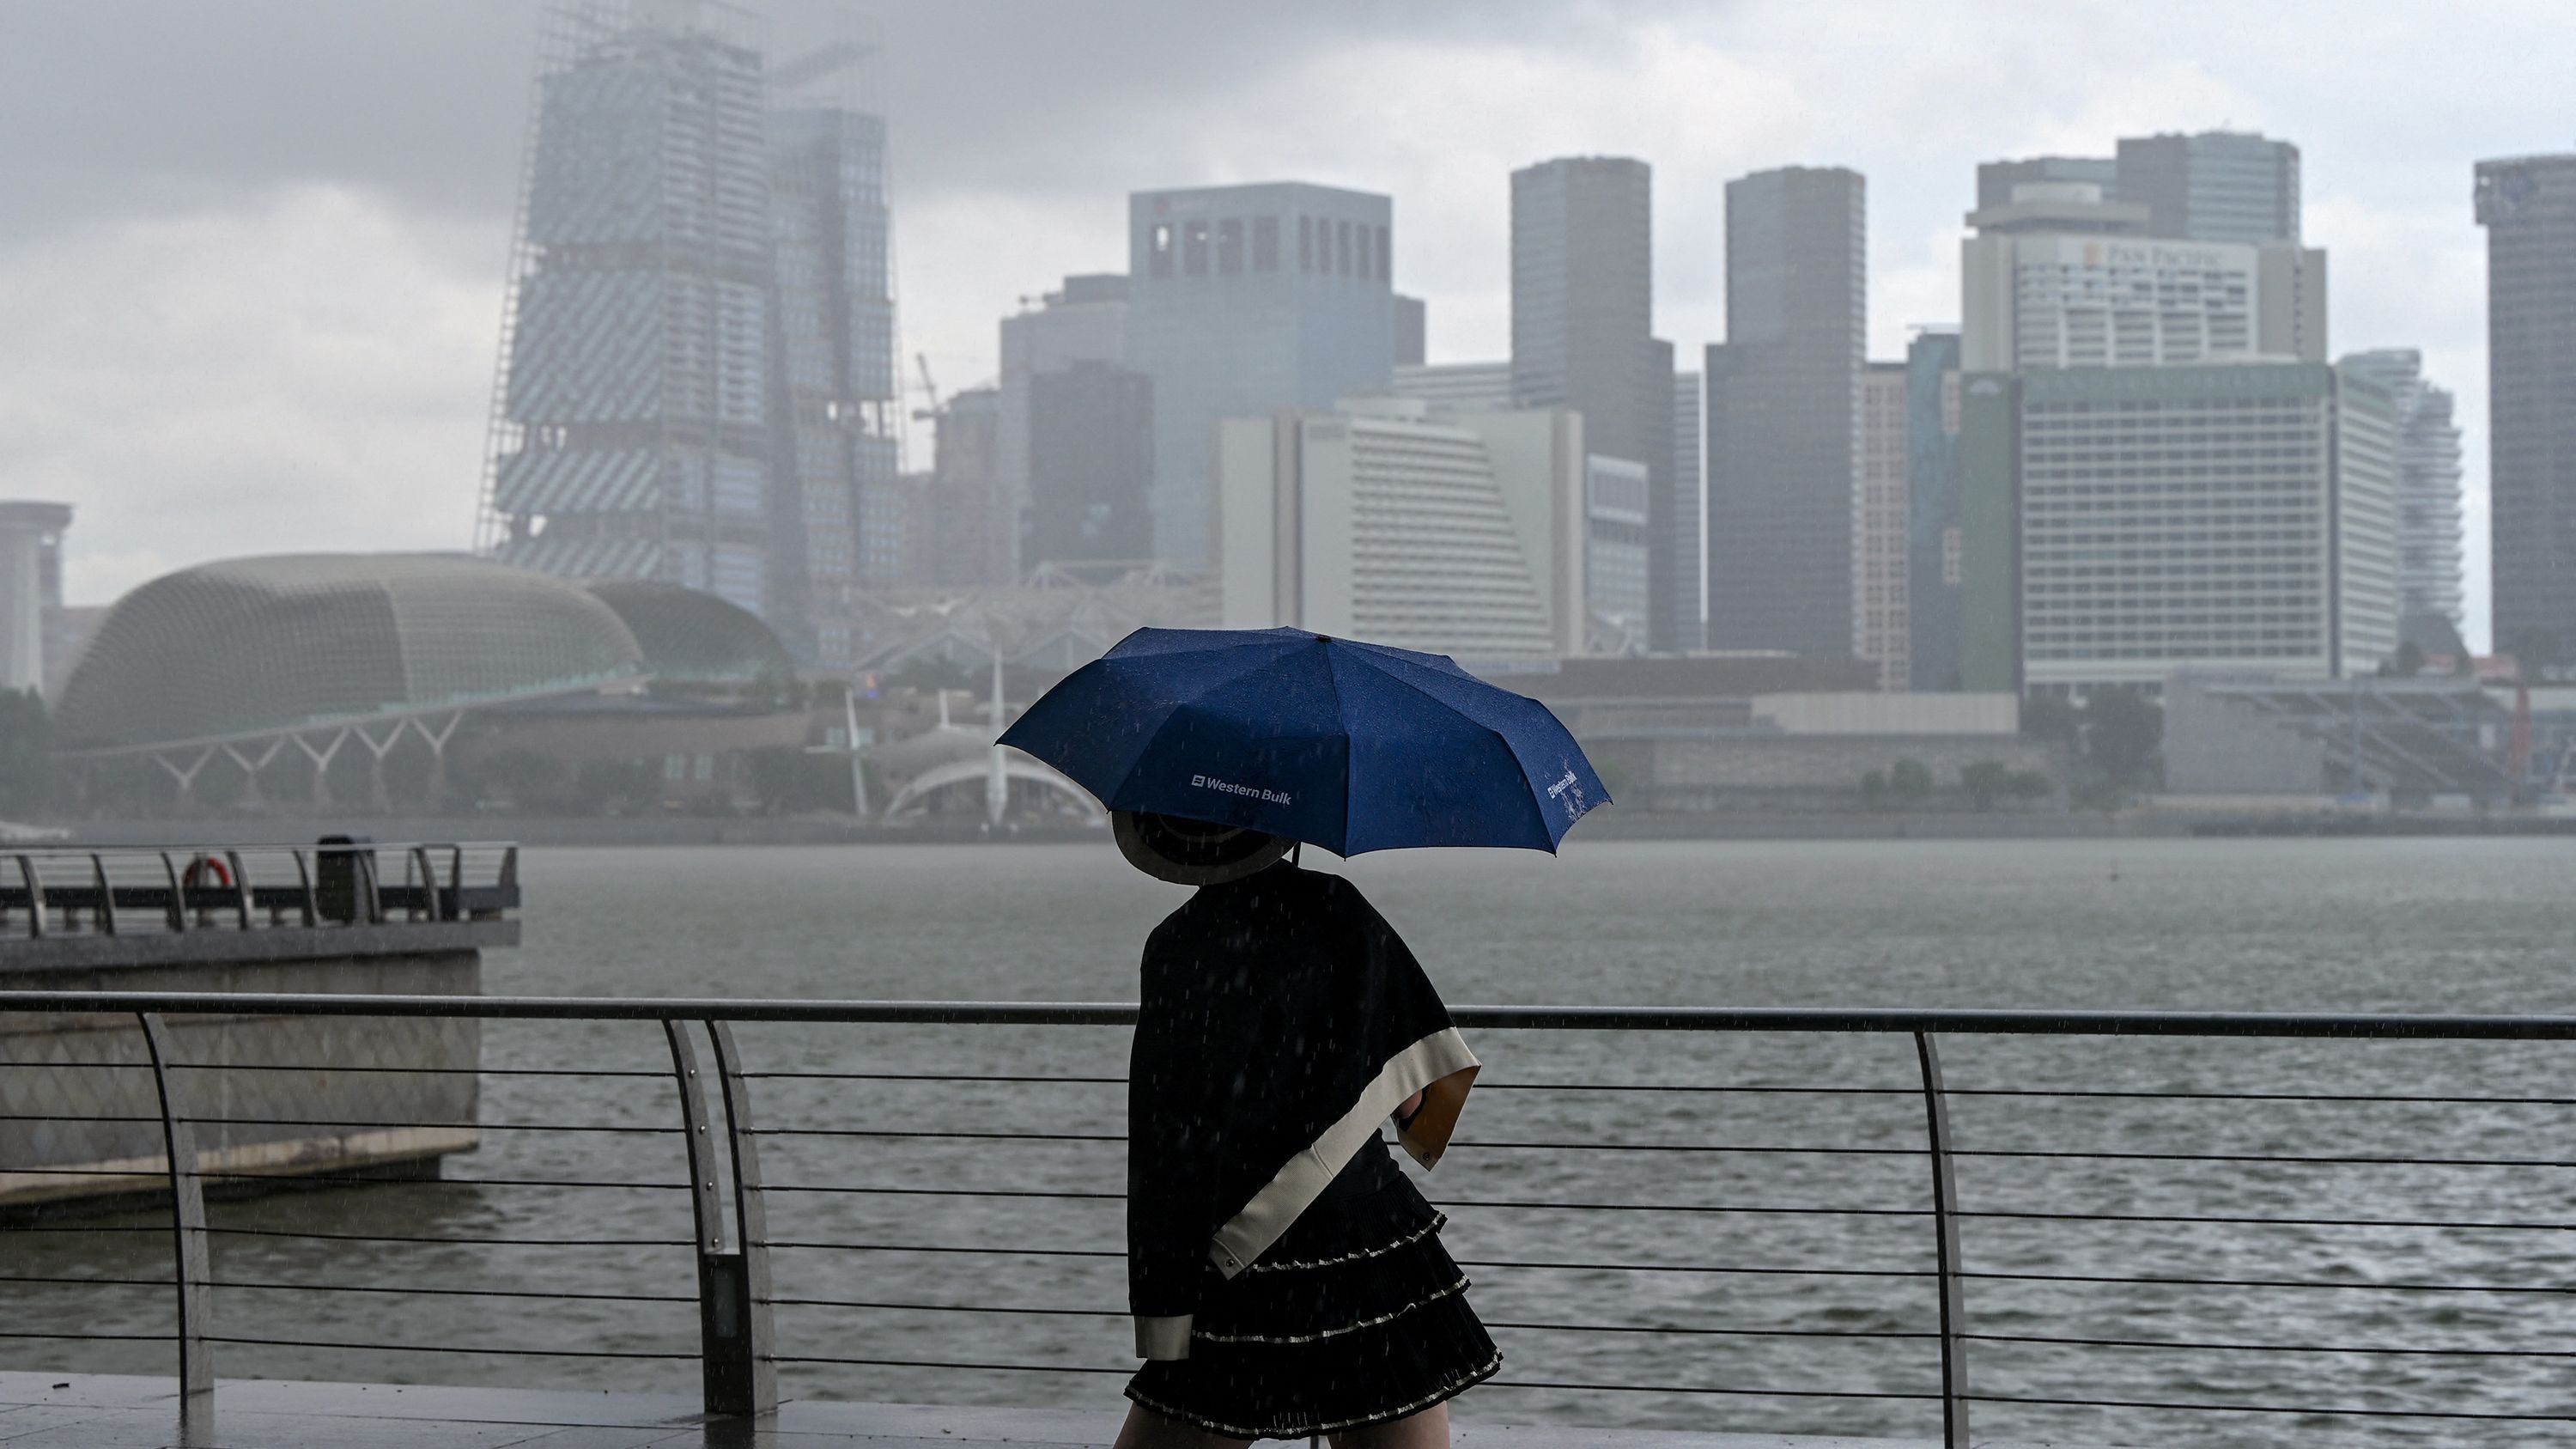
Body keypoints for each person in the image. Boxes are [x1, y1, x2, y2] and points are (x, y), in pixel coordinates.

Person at [1109, 809, 1498, 1449]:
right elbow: (1415, 1095)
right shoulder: (1337, 909)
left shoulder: (1177, 942)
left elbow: (1168, 1130)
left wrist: (1165, 1292)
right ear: (1282, 827)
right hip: (1361, 1231)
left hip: (1237, 1245)